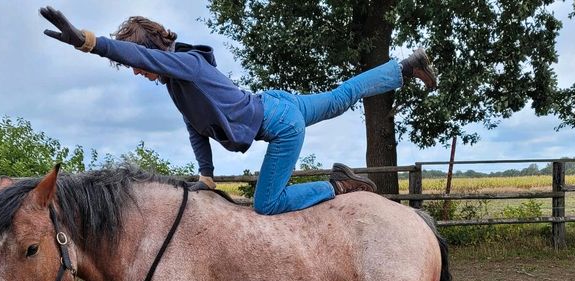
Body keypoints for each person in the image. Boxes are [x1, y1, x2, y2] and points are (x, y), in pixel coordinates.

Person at [40, 6, 437, 215]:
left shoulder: (185, 64)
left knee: (268, 204)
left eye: (138, 63)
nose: (136, 71)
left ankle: (339, 186)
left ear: (152, 54)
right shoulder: (180, 81)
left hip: (280, 123)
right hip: (277, 103)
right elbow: (196, 128)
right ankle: (404, 66)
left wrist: (88, 42)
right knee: (341, 95)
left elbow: (140, 56)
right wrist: (207, 176)